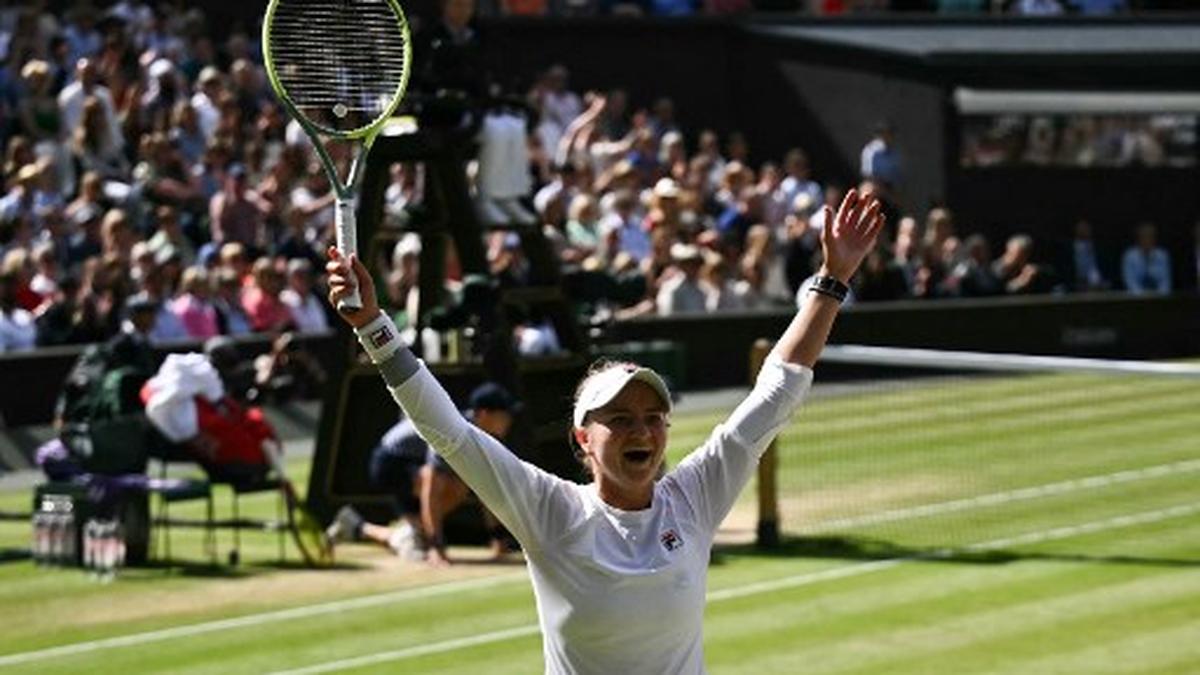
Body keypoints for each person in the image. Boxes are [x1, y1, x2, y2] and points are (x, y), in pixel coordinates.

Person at [325, 188, 883, 673]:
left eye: (651, 418)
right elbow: (449, 432)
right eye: (618, 419)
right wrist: (375, 327)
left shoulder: (695, 494)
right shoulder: (549, 509)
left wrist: (832, 280)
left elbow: (776, 392)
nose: (641, 431)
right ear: (583, 440)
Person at [326, 382, 520, 566]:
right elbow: (431, 487)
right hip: (390, 462)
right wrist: (436, 546)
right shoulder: (452, 431)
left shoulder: (481, 438)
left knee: (464, 483)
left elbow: (486, 490)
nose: (510, 420)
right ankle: (417, 537)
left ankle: (357, 527)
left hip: (411, 462)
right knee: (455, 483)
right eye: (505, 415)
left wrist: (498, 539)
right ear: (484, 414)